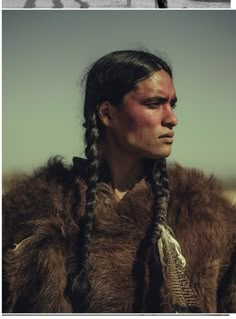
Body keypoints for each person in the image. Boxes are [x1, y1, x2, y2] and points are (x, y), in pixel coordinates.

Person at [2, 50, 235, 313]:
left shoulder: (206, 214)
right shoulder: (36, 214)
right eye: (155, 103)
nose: (172, 118)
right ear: (107, 113)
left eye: (173, 104)